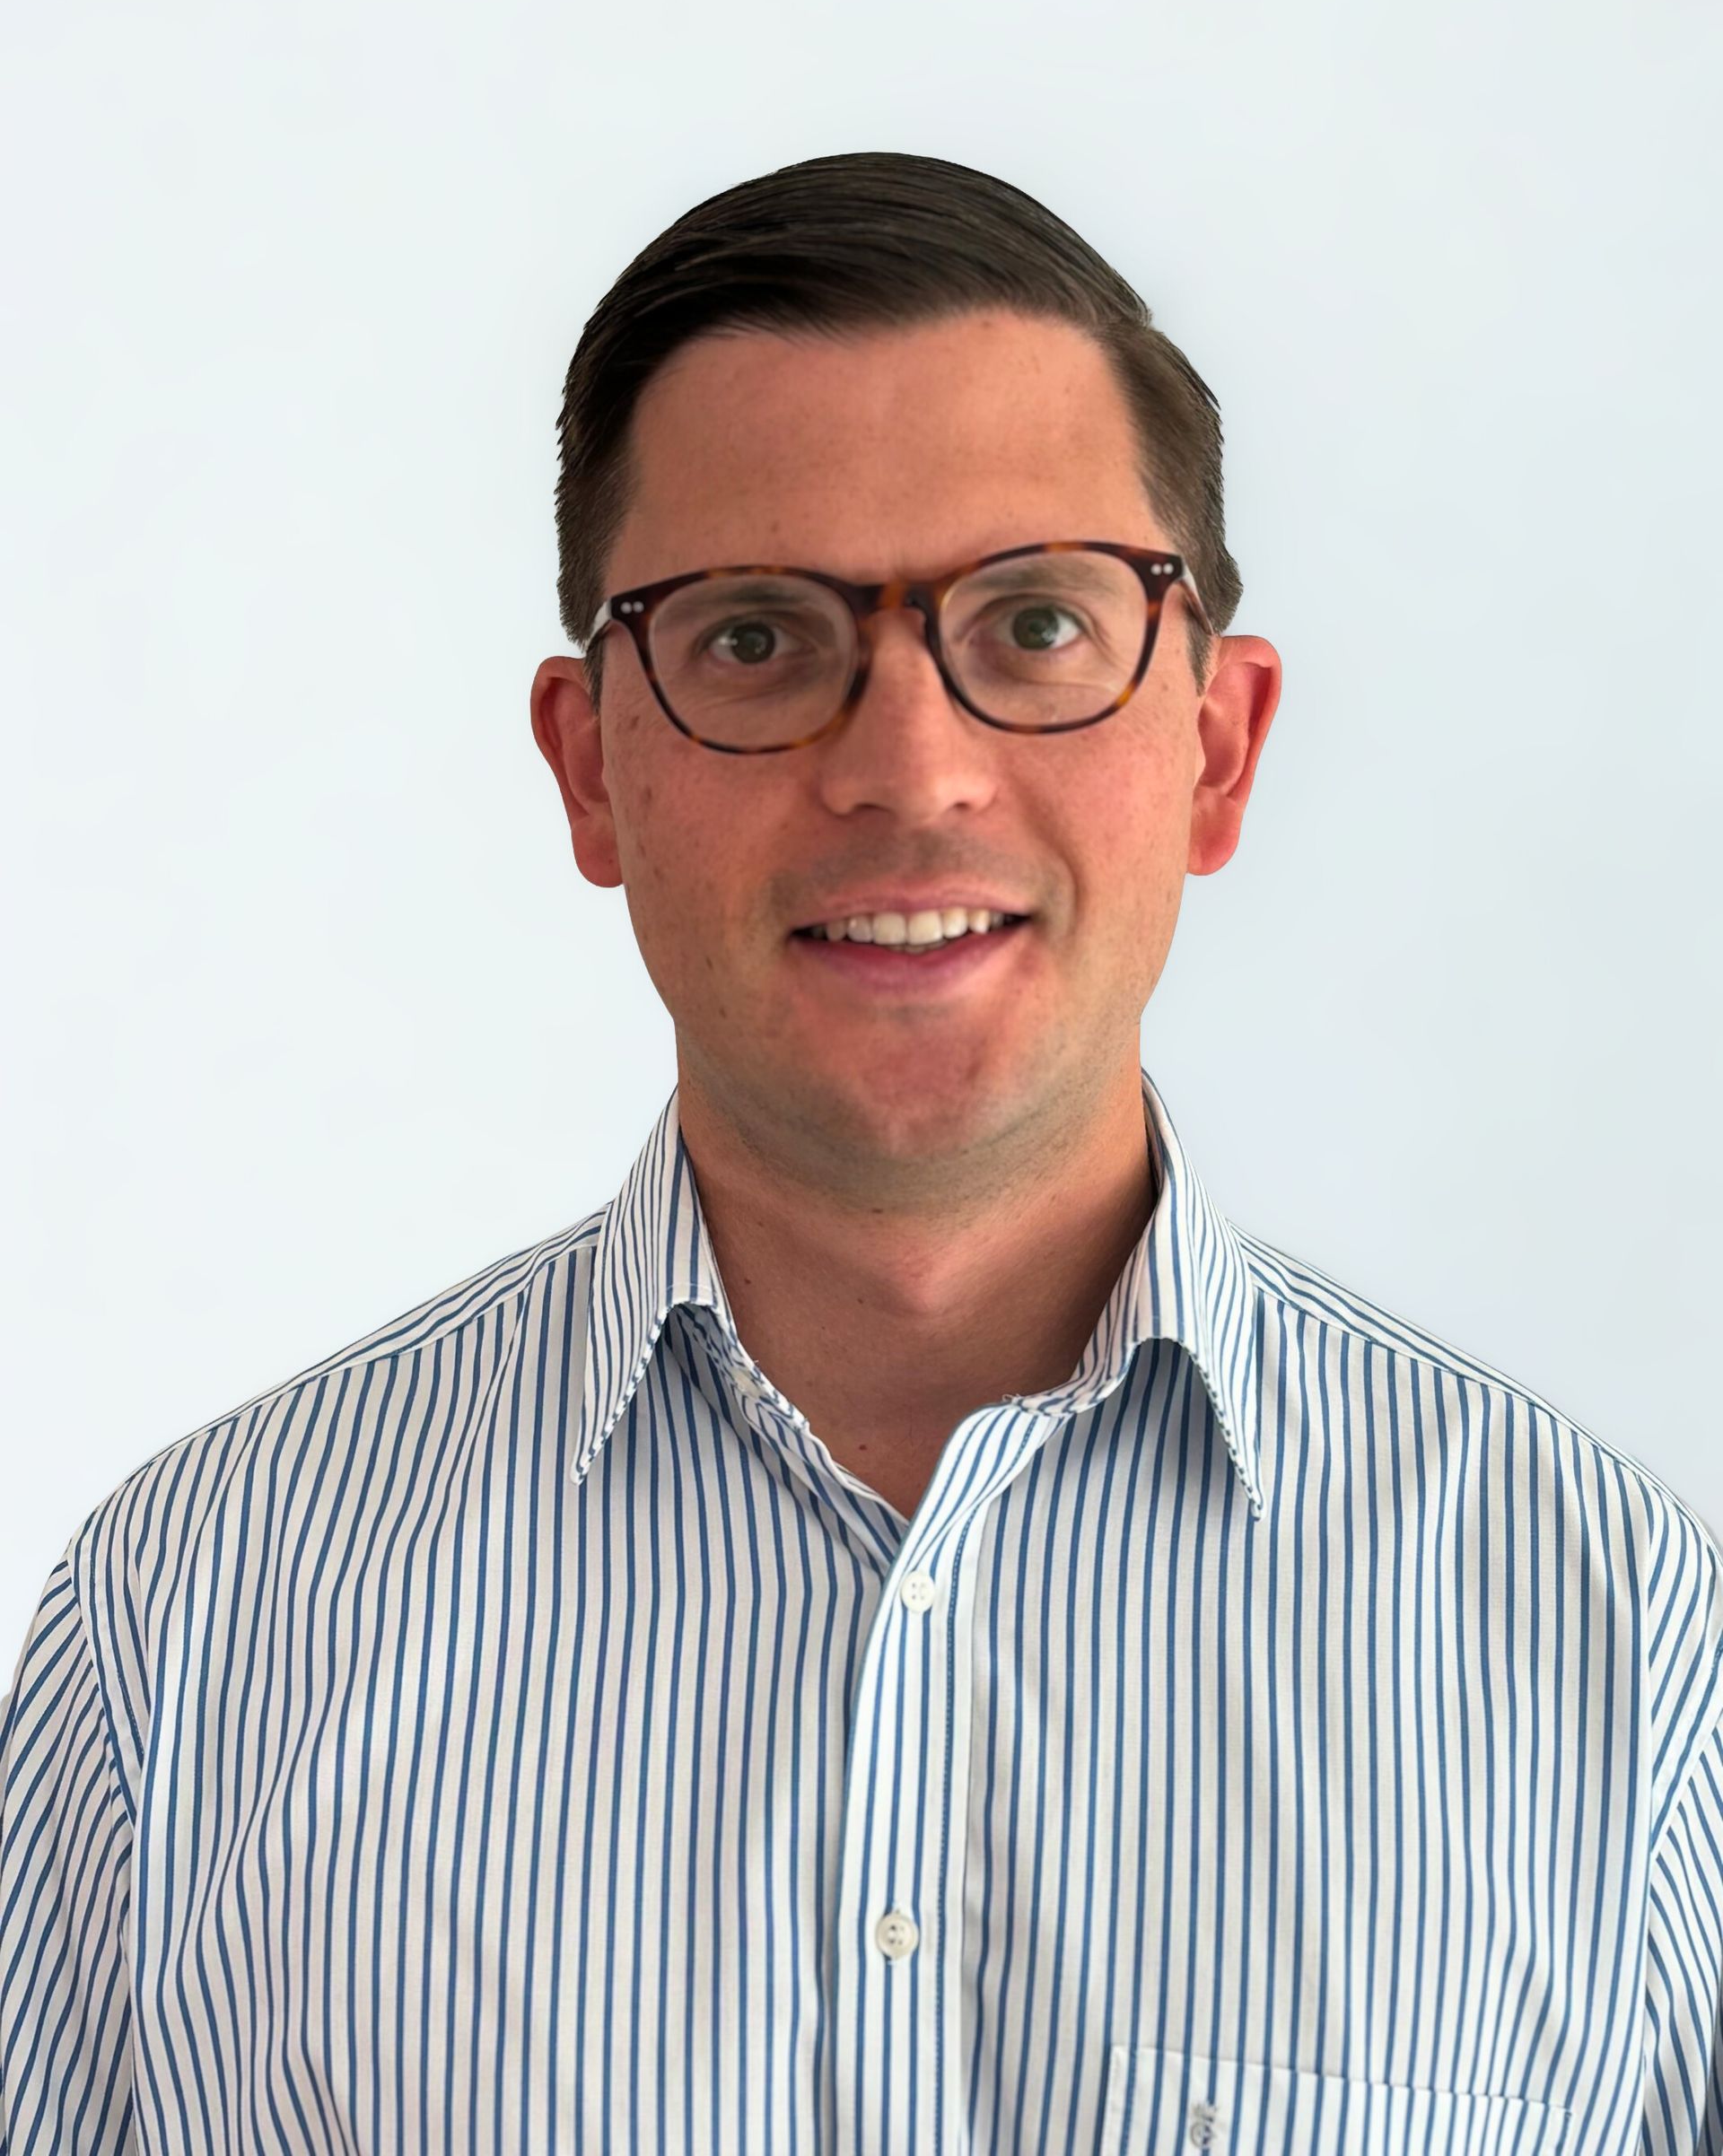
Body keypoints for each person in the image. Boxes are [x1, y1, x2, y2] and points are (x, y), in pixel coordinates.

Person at [1, 150, 1718, 2156]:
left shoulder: (1619, 1644)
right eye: (752, 637)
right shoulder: (198, 1625)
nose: (909, 764)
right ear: (591, 768)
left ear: (1217, 750)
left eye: (1041, 620)